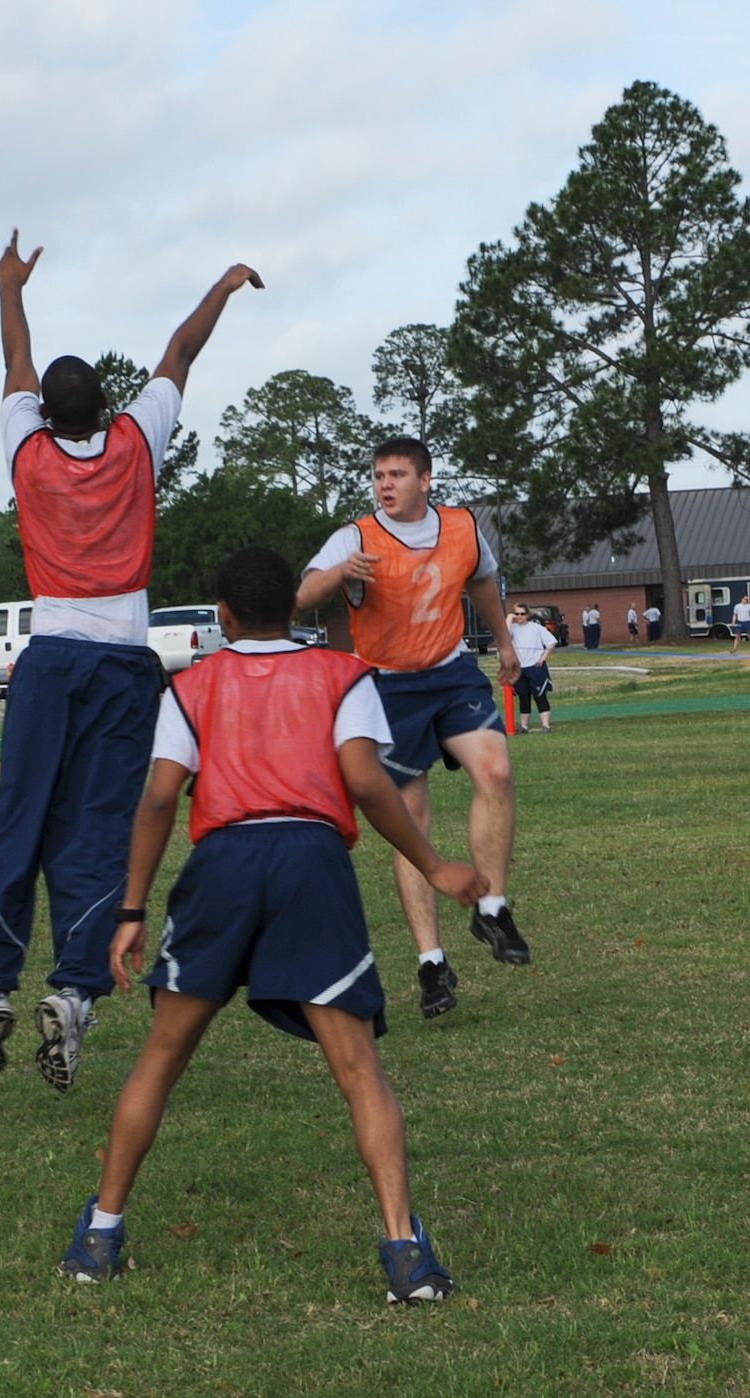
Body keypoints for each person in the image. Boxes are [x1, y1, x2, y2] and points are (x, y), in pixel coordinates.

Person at [57, 545, 485, 1303]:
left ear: (221, 615)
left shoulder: (192, 684)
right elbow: (364, 780)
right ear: (297, 605)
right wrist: (435, 862)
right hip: (311, 862)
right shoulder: (340, 674)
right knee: (359, 1071)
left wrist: (130, 909)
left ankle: (100, 1235)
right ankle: (404, 1254)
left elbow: (159, 801)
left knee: (160, 1057)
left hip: (222, 863)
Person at [0, 229, 262, 1094]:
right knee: (99, 830)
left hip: (50, 659)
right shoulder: (137, 442)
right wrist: (225, 284)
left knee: (17, 819)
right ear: (106, 407)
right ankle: (74, 993)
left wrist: (10, 284)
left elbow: (16, 355)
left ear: (46, 416)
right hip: (127, 664)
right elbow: (180, 350)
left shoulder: (27, 450)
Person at [297, 438, 525, 1021]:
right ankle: (431, 964)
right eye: (378, 475)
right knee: (410, 819)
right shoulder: (355, 537)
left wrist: (503, 642)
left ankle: (492, 908)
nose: (385, 484)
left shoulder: (461, 526)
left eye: (397, 473)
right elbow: (300, 596)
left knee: (496, 769)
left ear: (426, 479)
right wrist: (340, 574)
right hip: (386, 686)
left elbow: (481, 581)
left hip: (450, 673)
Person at [508, 603, 557, 733]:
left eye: (522, 614)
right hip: (520, 668)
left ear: (527, 615)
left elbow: (551, 641)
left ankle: (546, 726)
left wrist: (543, 657)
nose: (519, 616)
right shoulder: (513, 628)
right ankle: (524, 726)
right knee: (523, 697)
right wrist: (509, 618)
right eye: (517, 614)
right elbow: (505, 636)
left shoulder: (536, 628)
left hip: (535, 667)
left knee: (540, 696)